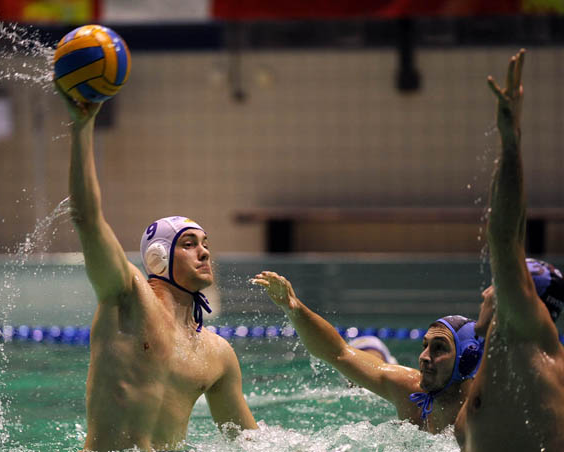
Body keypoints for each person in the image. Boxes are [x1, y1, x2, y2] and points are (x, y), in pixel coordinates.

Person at [57, 89, 257, 452]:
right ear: (158, 257)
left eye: (206, 243)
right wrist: (82, 127)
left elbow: (249, 443)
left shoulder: (217, 353)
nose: (204, 251)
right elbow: (86, 219)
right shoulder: (127, 298)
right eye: (189, 243)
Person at [454, 49, 564, 451]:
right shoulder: (512, 356)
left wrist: (511, 141)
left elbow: (504, 237)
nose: (488, 290)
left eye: (499, 284)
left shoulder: (522, 334)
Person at [252, 271, 483, 433]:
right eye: (425, 346)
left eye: (439, 348)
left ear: (467, 359)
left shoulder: (485, 416)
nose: (424, 357)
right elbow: (338, 352)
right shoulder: (409, 391)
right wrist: (293, 308)